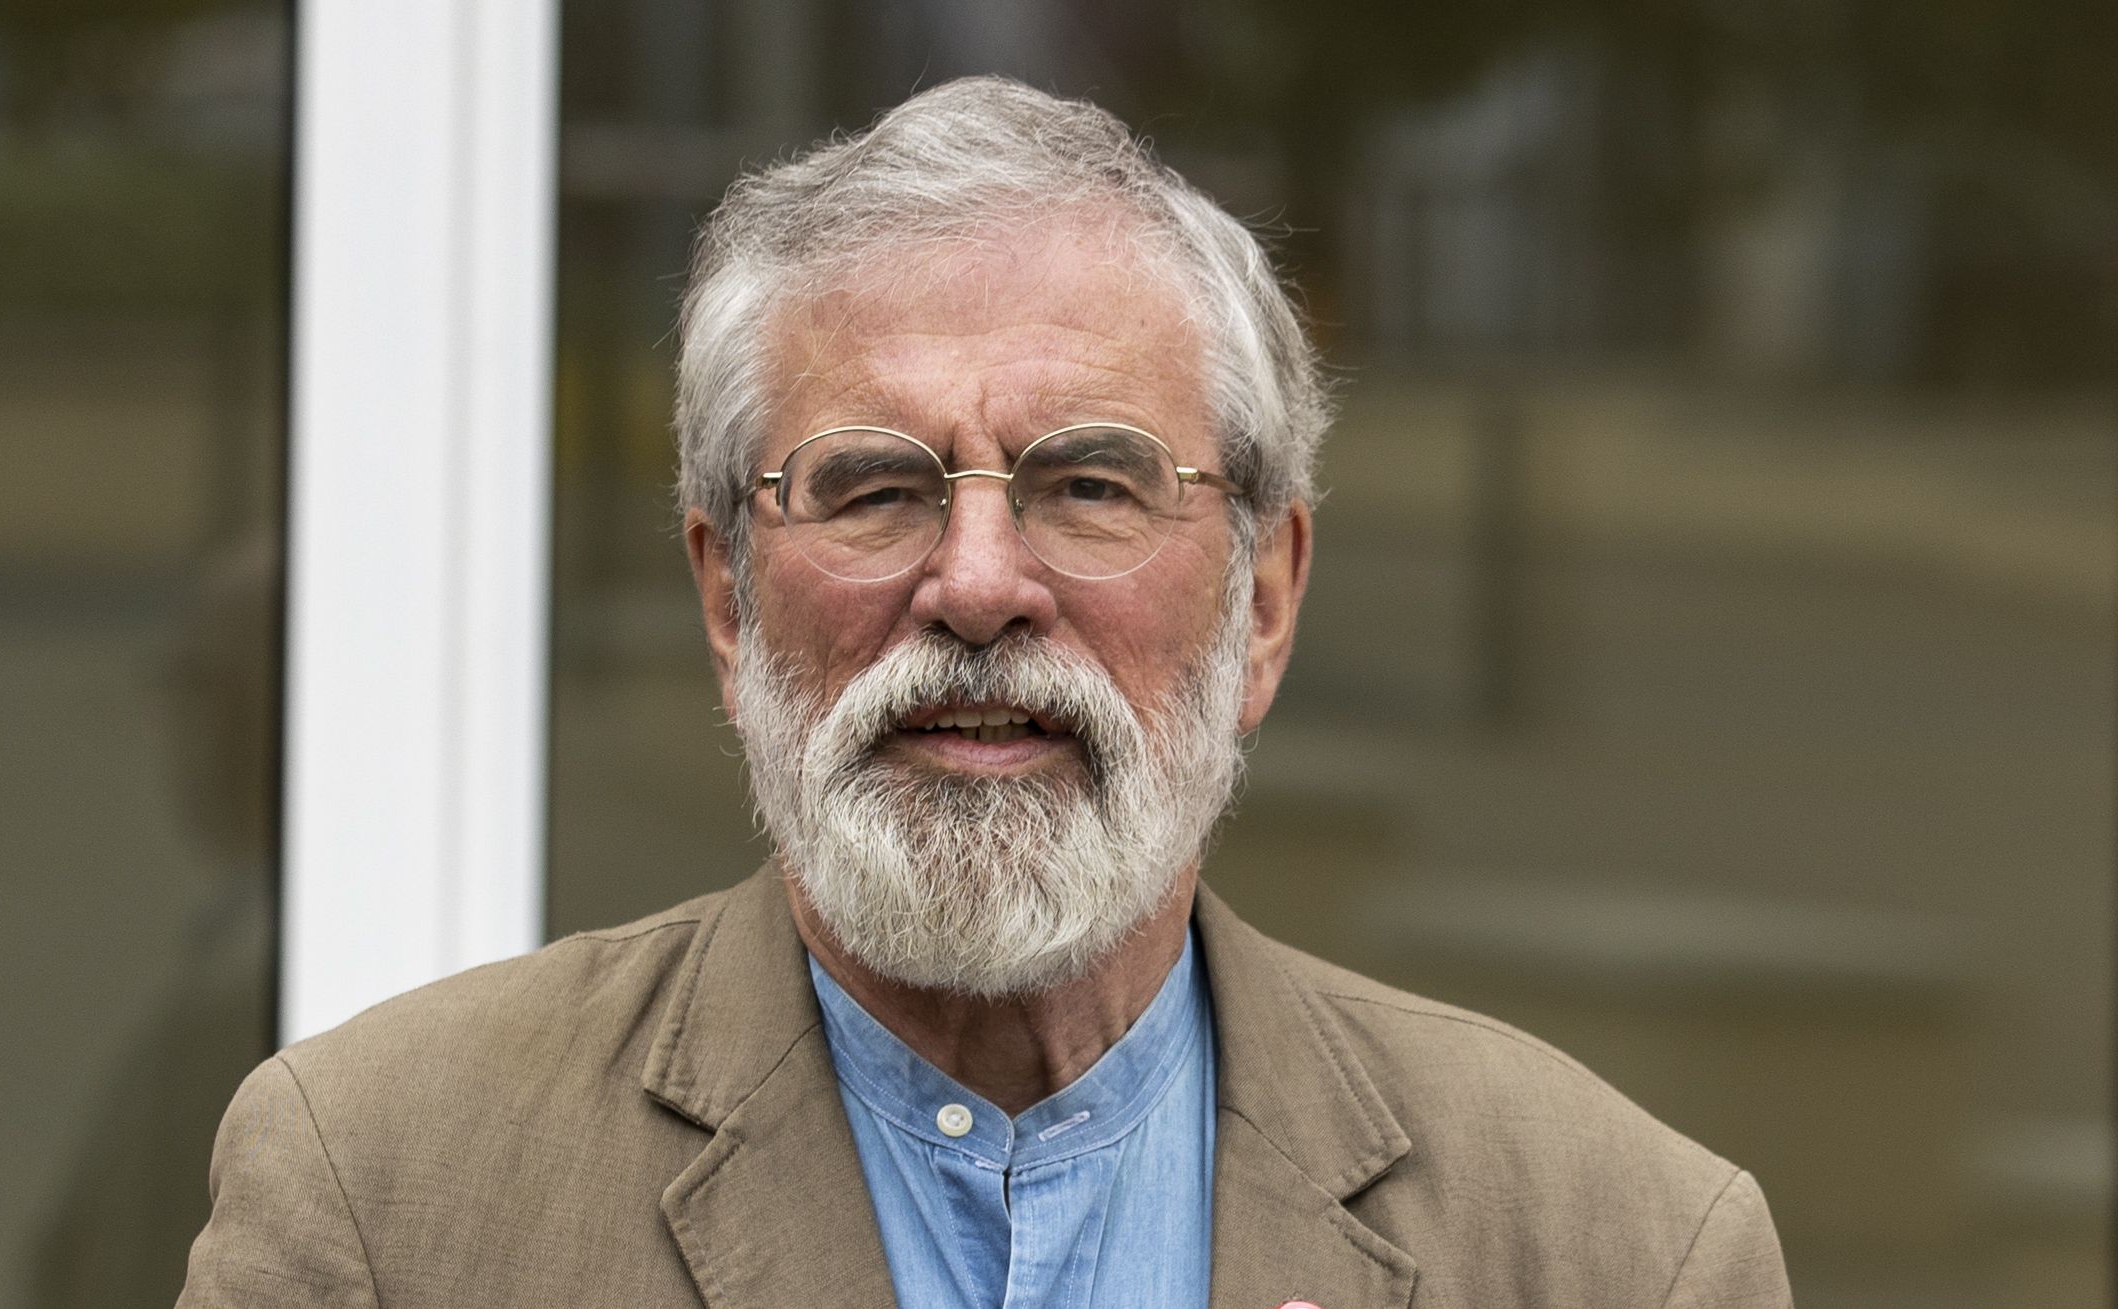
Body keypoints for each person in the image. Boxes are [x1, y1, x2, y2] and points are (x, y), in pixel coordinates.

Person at [178, 76, 1791, 1307]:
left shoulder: (1613, 1249)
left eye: (1087, 484)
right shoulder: (384, 1194)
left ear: (1264, 596)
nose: (973, 582)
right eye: (872, 487)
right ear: (728, 597)